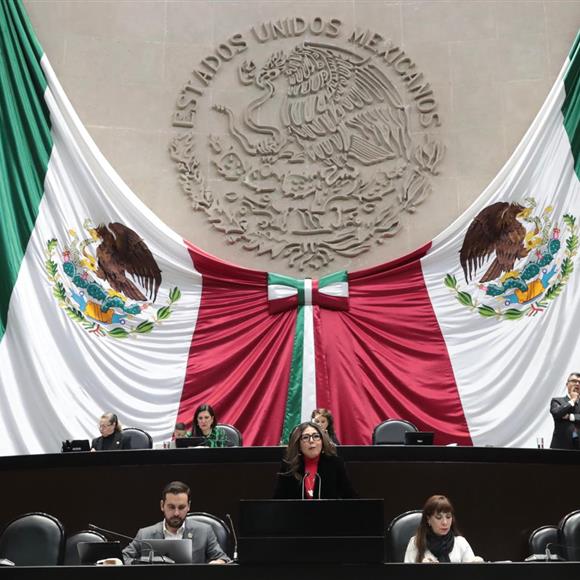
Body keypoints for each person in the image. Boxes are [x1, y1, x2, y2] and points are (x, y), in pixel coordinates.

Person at [122, 481, 230, 565]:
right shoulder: (145, 534)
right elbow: (123, 558)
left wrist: (218, 563)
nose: (176, 513)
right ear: (162, 506)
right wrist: (139, 563)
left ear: (188, 506)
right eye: (171, 507)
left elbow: (224, 559)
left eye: (181, 507)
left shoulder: (204, 532)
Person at [273, 421, 357, 499]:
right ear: (298, 444)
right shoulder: (288, 466)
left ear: (322, 441)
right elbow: (278, 501)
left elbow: (351, 498)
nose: (311, 441)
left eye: (316, 436)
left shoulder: (335, 463)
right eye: (305, 437)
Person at [404, 495, 481, 563]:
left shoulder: (461, 543)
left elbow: (473, 572)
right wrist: (423, 570)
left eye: (448, 517)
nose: (445, 522)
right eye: (438, 517)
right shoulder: (416, 543)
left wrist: (478, 565)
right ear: (428, 519)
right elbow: (407, 573)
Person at [550, 373, 580, 449]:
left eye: (579, 382)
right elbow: (557, 413)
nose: (577, 384)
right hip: (561, 447)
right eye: (574, 381)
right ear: (567, 384)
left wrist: (570, 416)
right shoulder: (557, 401)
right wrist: (573, 400)